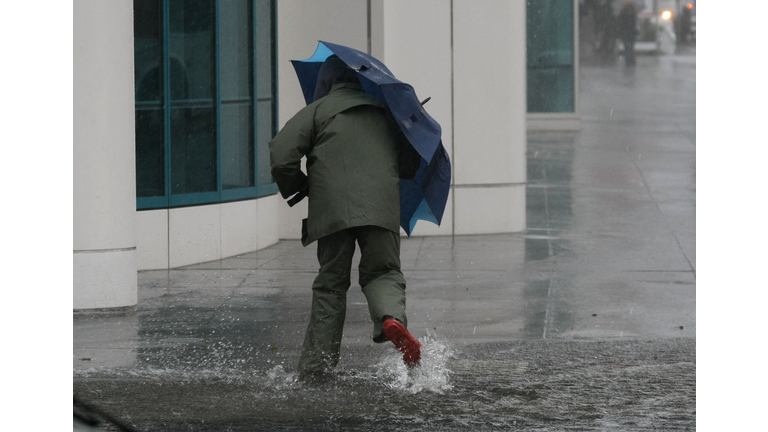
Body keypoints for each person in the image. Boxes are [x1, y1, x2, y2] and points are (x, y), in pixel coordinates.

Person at [269, 55, 423, 377]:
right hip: (380, 206)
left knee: (331, 285)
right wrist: (407, 125)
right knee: (383, 272)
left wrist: (302, 187)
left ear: (326, 84)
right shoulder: (386, 113)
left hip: (332, 209)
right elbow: (409, 165)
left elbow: (282, 156)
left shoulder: (317, 111)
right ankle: (391, 318)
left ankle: (316, 367)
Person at [617, 1, 637, 67]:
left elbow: (620, 23)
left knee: (627, 47)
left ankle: (628, 60)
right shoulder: (633, 13)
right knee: (631, 46)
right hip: (631, 32)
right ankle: (631, 60)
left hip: (625, 32)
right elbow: (634, 24)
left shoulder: (622, 13)